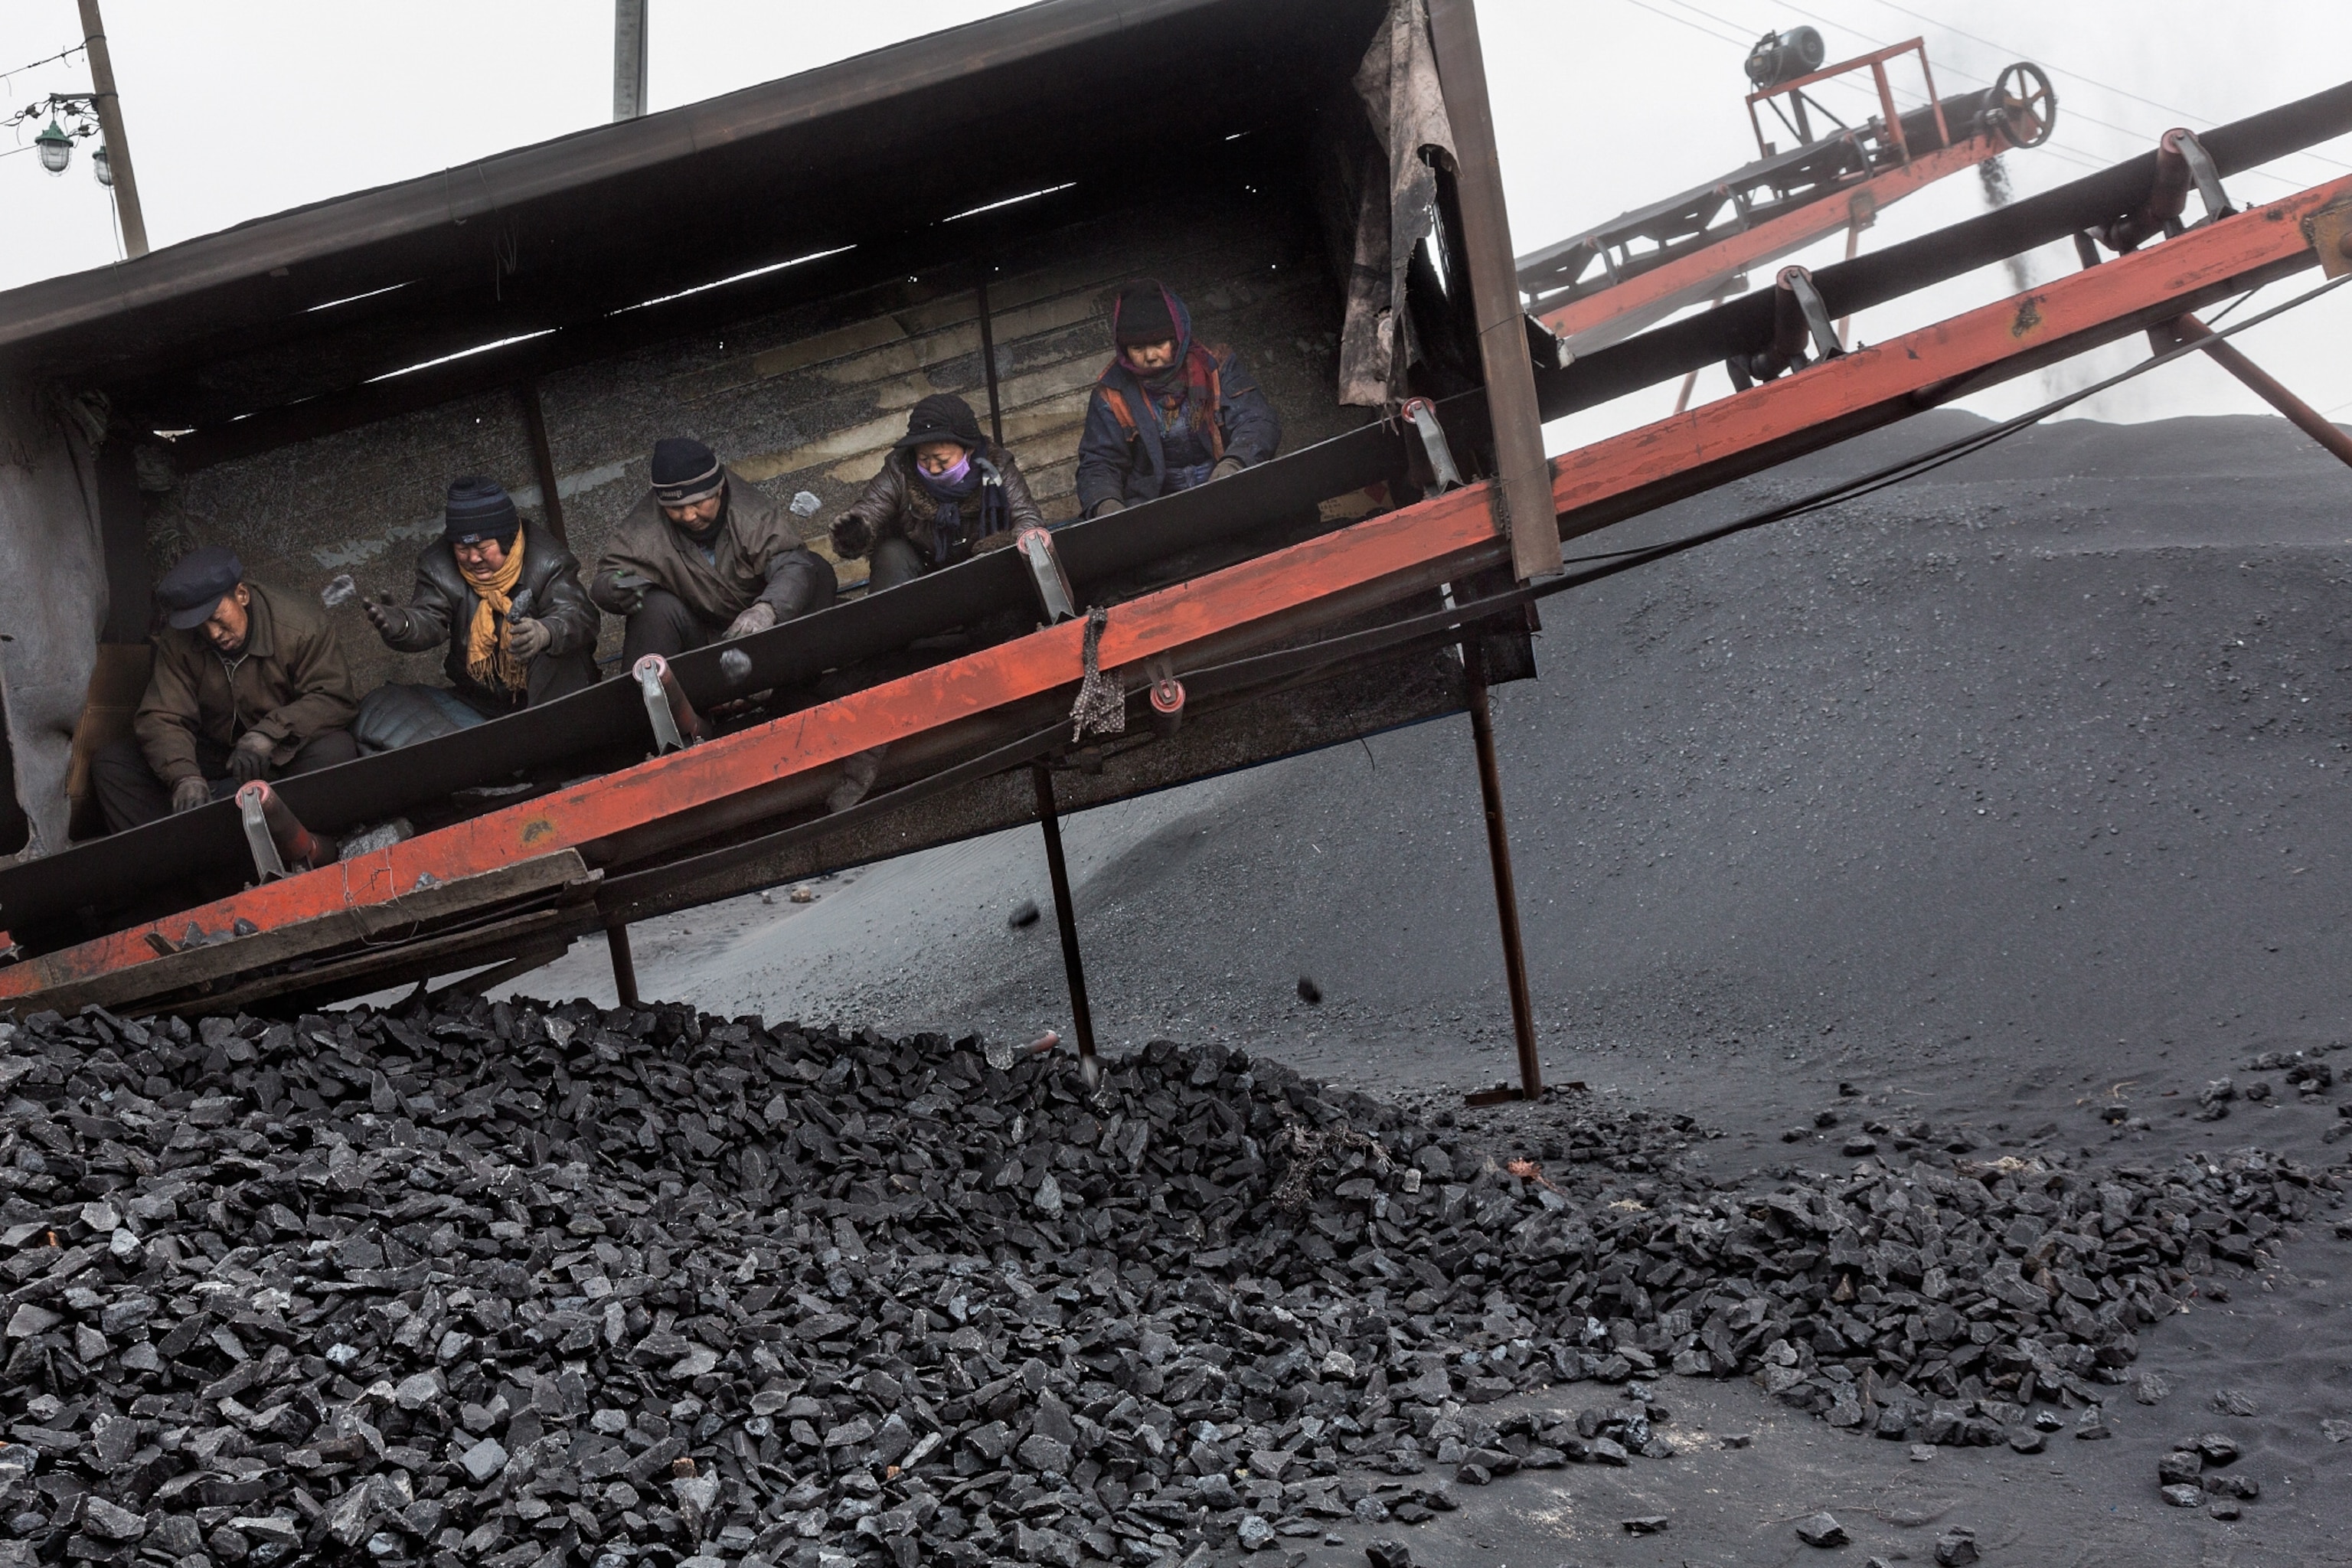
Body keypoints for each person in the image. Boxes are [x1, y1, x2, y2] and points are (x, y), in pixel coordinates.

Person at [92, 547, 359, 833]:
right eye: (200, 626)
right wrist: (184, 777)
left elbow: (334, 697)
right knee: (112, 765)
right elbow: (162, 716)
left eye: (217, 618)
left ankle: (285, 833)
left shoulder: (300, 626)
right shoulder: (178, 642)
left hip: (279, 754)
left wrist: (268, 734)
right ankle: (180, 857)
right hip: (216, 756)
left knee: (336, 751)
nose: (213, 634)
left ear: (241, 595)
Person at [353, 477, 603, 750]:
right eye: (462, 549)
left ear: (507, 540)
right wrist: (404, 625)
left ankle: (549, 755)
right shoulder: (438, 567)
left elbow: (581, 616)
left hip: (548, 694)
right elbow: (429, 619)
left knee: (557, 659)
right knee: (390, 709)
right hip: (481, 702)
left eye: (483, 548)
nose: (473, 558)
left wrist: (546, 632)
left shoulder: (546, 560)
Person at [591, 437, 837, 663]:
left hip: (769, 633)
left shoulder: (751, 514)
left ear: (718, 489)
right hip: (702, 642)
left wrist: (767, 609)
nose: (688, 516)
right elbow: (605, 579)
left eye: (698, 503)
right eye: (675, 507)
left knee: (816, 570)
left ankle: (796, 684)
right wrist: (614, 589)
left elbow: (790, 563)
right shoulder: (643, 530)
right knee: (654, 607)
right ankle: (651, 705)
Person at [1075, 279, 1281, 518]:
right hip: (1156, 517)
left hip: (1232, 496)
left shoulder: (1216, 366)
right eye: (1137, 348)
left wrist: (1234, 464)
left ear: (1176, 338)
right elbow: (1099, 463)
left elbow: (1257, 421)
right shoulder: (1112, 394)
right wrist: (1106, 505)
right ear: (1124, 350)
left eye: (1158, 343)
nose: (1150, 356)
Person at [828, 394, 1045, 590]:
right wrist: (854, 531)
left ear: (968, 449)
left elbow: (1027, 517)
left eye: (942, 461)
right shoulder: (900, 470)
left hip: (985, 572)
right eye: (924, 459)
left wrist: (1012, 544)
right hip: (924, 571)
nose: (932, 468)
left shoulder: (998, 466)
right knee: (891, 553)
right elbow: (872, 507)